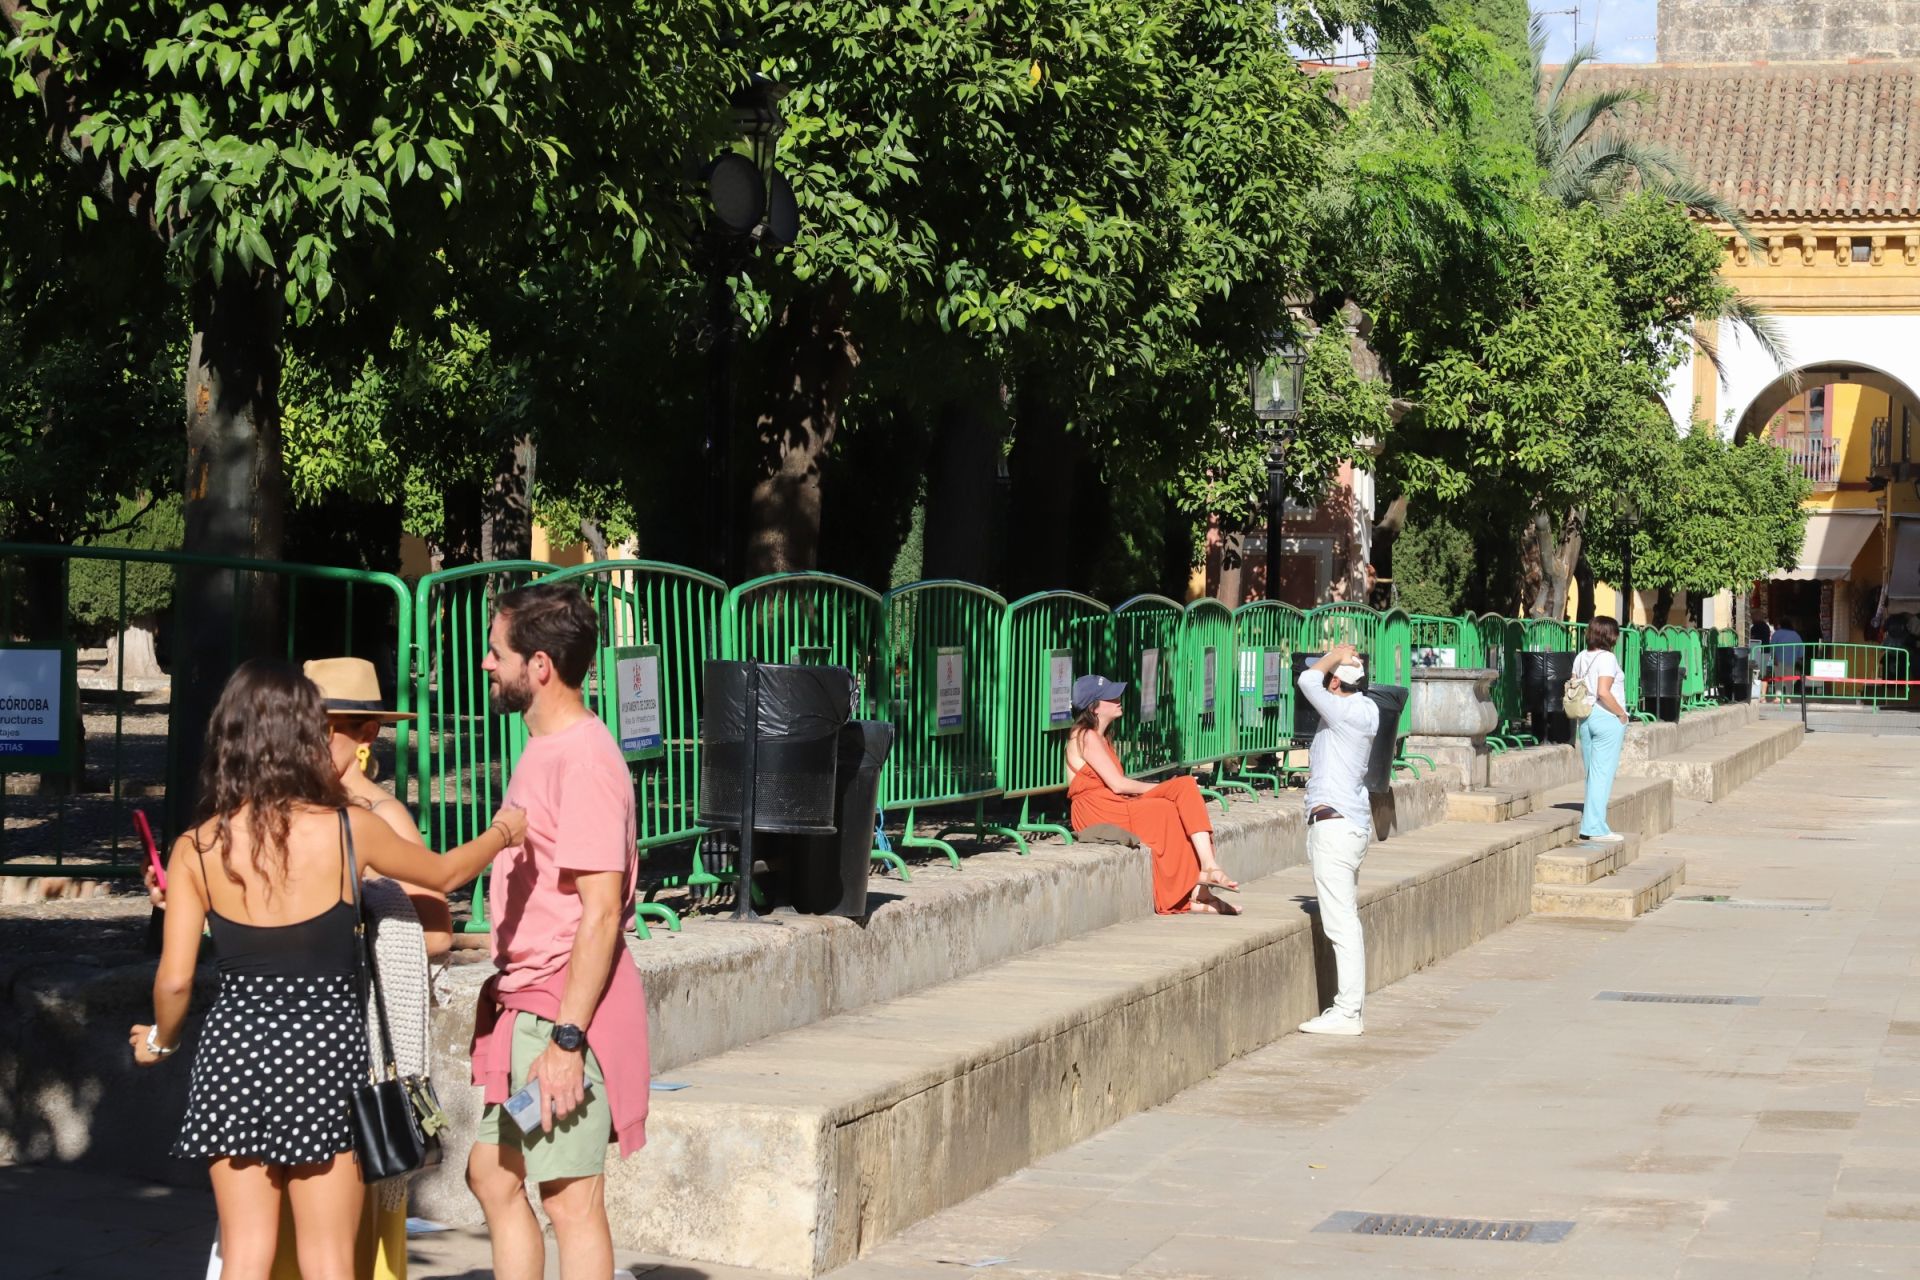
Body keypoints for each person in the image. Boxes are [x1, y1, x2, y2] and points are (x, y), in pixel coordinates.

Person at [130, 660, 527, 1280]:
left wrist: (160, 1040)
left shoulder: (195, 846)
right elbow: (446, 874)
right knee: (328, 1260)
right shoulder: (350, 831)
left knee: (245, 1253)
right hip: (322, 1055)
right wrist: (503, 830)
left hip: (234, 1054)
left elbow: (175, 979)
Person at [465, 583, 651, 1280]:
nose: (487, 663)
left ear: (538, 666)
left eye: (496, 651)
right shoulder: (543, 746)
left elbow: (601, 912)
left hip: (563, 1020)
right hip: (531, 1012)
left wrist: (569, 1042)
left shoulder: (586, 761)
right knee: (492, 1173)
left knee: (570, 1204)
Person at [1064, 673, 1239, 916]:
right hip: (1099, 811)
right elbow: (1118, 785)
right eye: (1110, 697)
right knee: (1173, 800)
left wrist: (1167, 792)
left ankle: (1202, 881)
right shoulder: (1087, 736)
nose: (1118, 699)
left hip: (1113, 804)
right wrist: (1163, 791)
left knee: (1179, 796)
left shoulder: (1102, 737)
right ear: (1094, 707)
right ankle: (1194, 886)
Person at [1295, 643, 1381, 1037]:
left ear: (1335, 683)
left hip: (1334, 826)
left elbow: (1305, 679)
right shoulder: (1366, 708)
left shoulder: (1341, 710)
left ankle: (1348, 1012)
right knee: (1346, 919)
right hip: (1352, 824)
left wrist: (1334, 654)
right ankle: (1348, 1008)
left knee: (1342, 924)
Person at [1572, 617, 1632, 845]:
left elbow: (1574, 684)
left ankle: (1592, 820)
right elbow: (1604, 692)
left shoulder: (1580, 657)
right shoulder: (1607, 658)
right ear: (1609, 635)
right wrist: (1621, 714)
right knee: (1602, 774)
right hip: (1606, 717)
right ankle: (1595, 827)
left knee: (1592, 773)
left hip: (1585, 716)